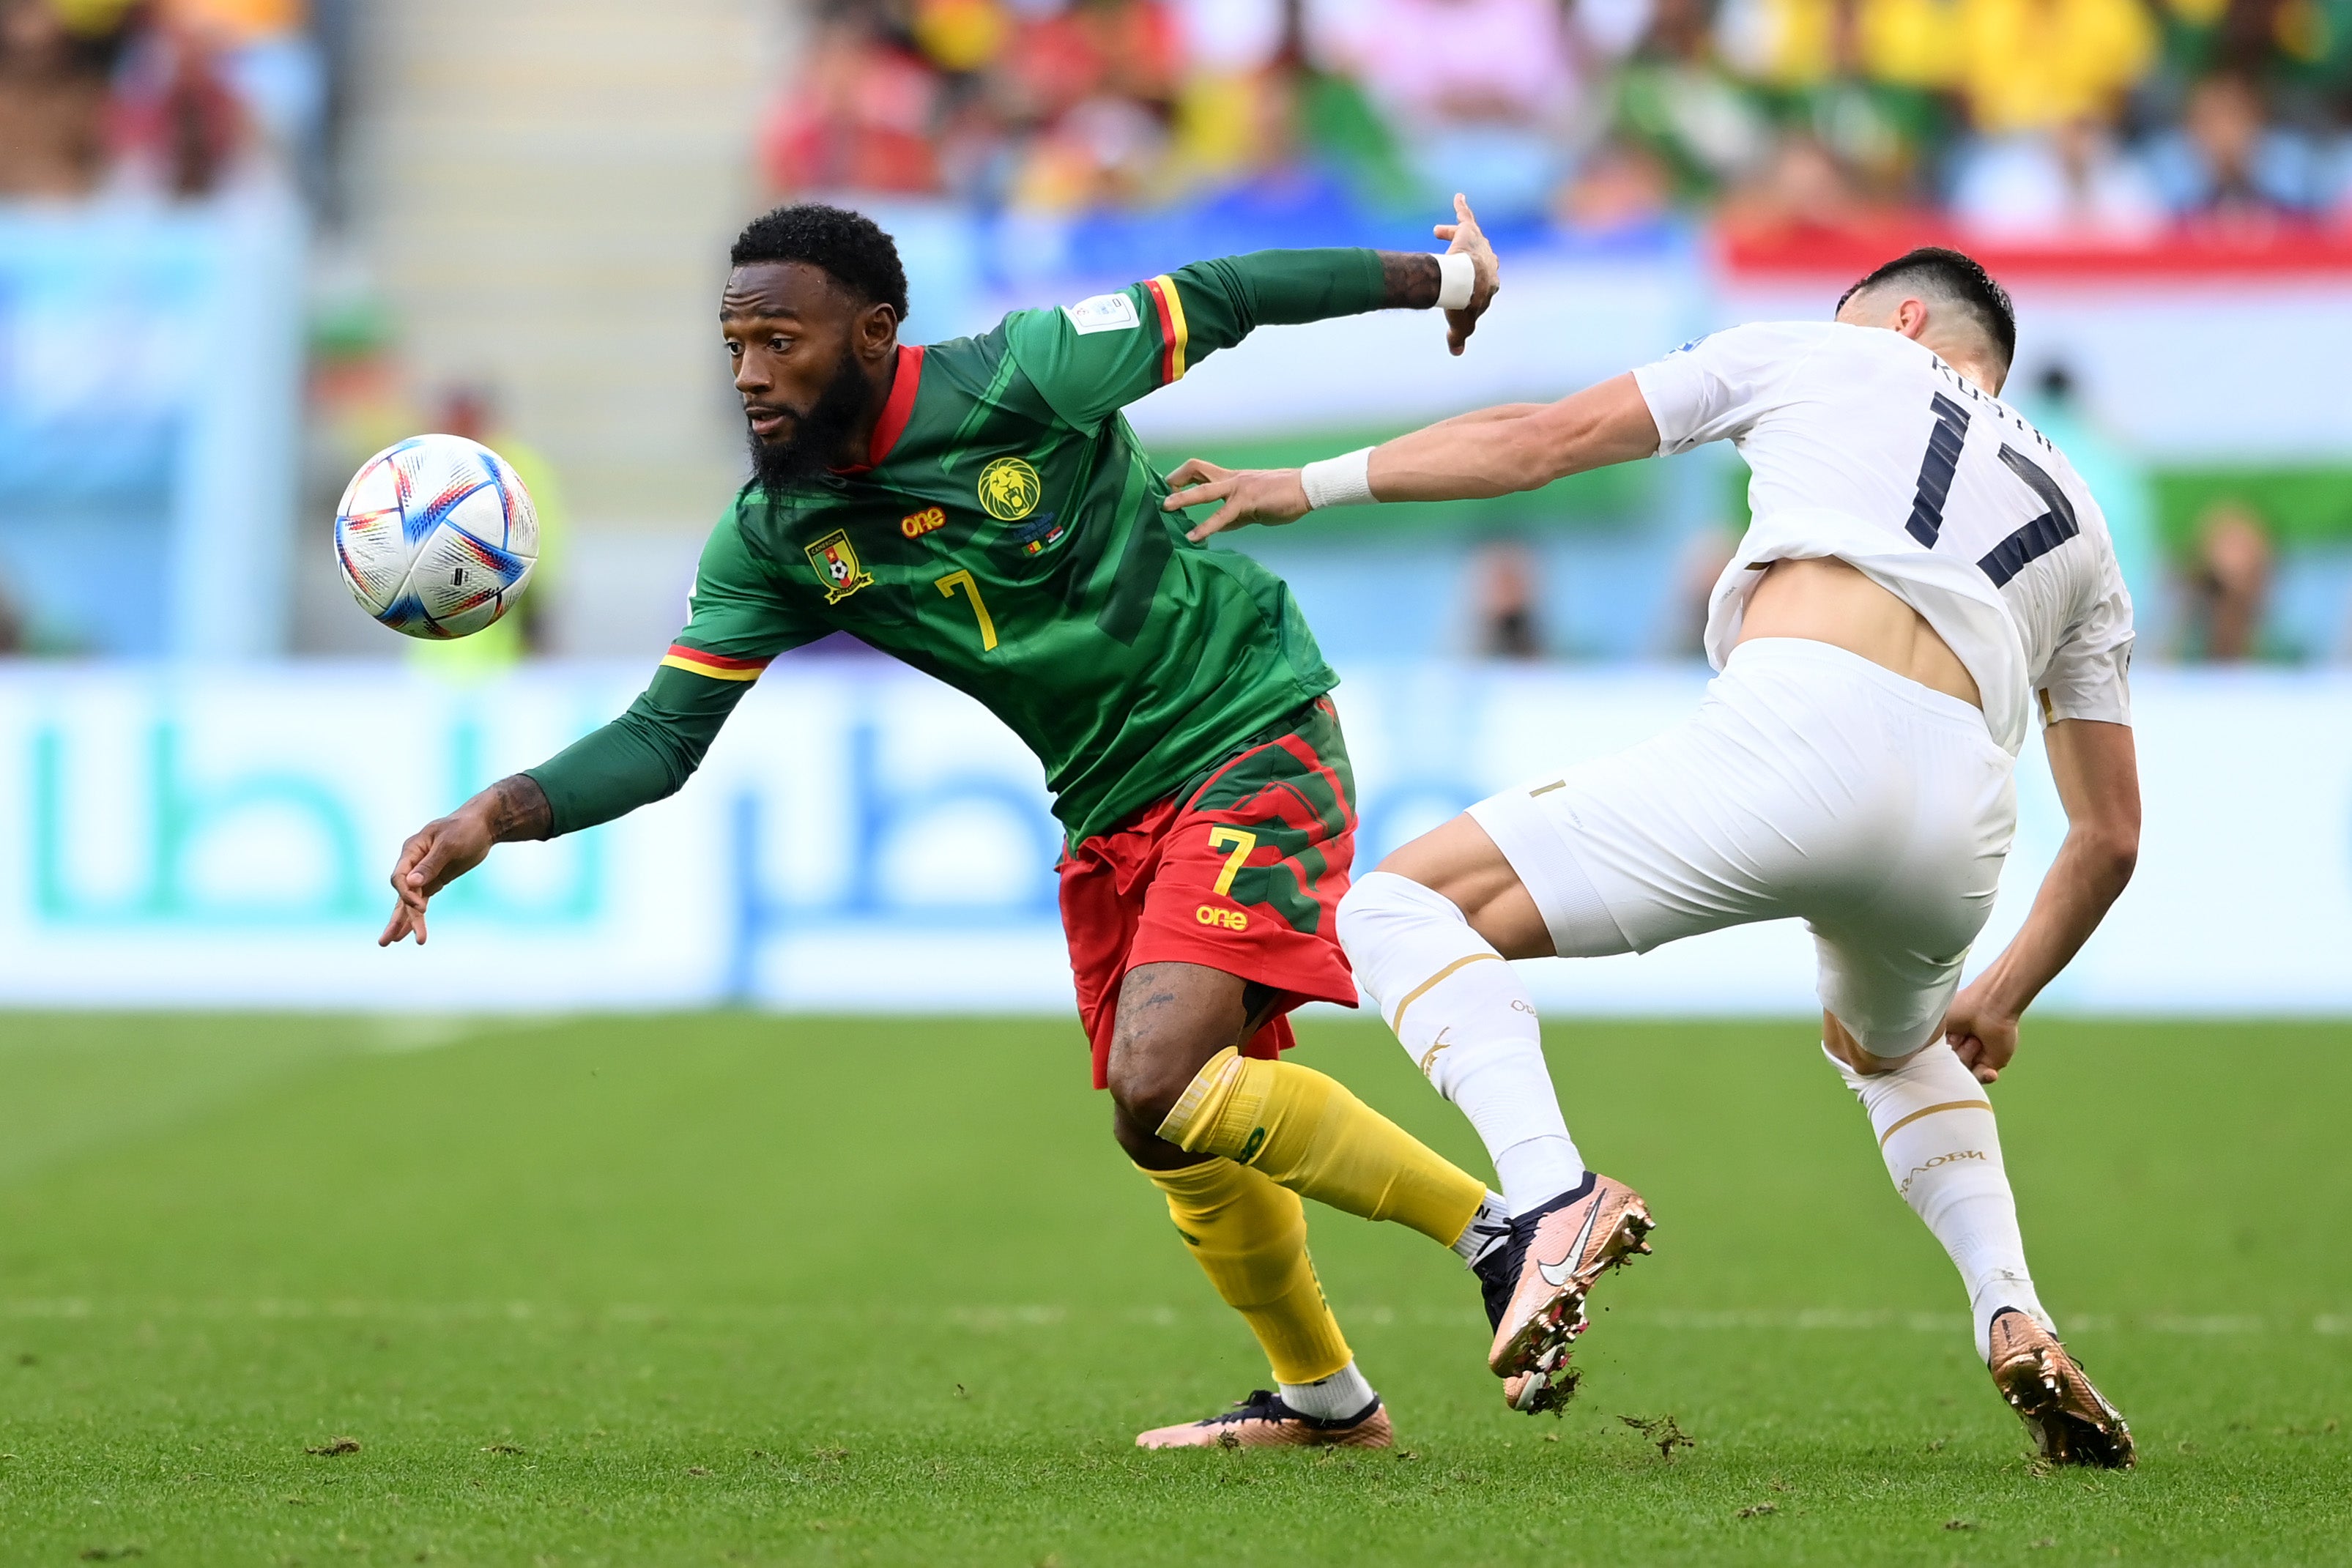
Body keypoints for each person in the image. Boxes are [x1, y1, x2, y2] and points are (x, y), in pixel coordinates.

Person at [378, 199, 1521, 1450]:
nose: (752, 378)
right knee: (1160, 1120)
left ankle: (1507, 1231)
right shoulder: (778, 534)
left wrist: (1442, 277)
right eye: (735, 348)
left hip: (1245, 725)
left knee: (1163, 1073)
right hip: (1109, 797)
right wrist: (491, 814)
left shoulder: (1026, 373)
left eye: (781, 342)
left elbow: (1228, 291)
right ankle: (1325, 1401)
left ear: (873, 333)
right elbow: (661, 737)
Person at [1164, 245, 2141, 1468]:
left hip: (1802, 729)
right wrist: (2002, 994)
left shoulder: (1823, 349)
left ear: (1897, 318)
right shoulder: (2082, 518)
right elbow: (2109, 836)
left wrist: (1303, 485)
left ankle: (1551, 1194)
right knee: (1894, 1054)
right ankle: (2014, 1309)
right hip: (1963, 812)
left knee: (1401, 906)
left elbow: (1541, 441)